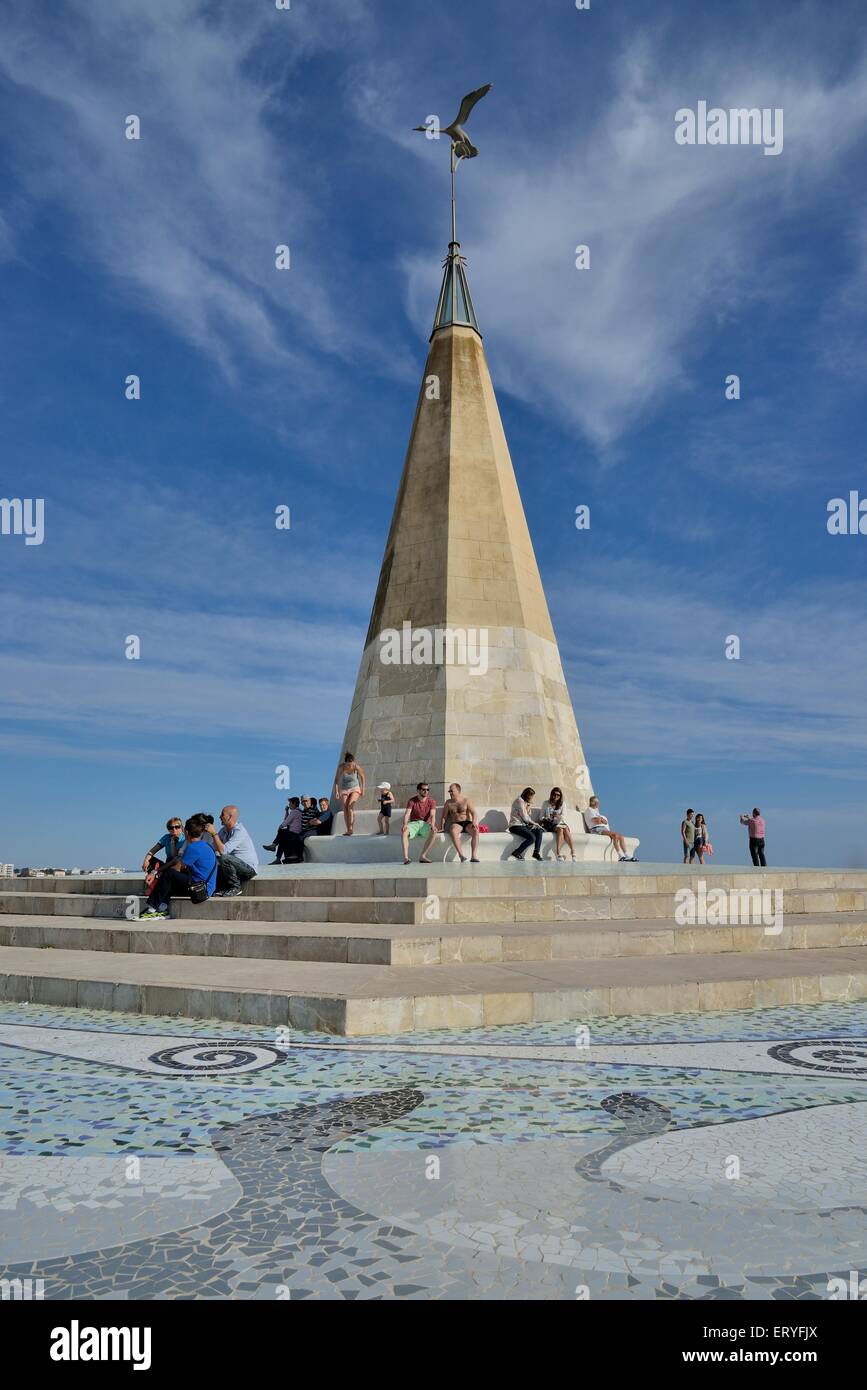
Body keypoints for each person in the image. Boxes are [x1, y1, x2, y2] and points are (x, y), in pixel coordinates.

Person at [140, 815, 217, 920]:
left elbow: (177, 867)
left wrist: (156, 873)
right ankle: (162, 909)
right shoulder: (206, 846)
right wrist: (157, 872)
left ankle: (152, 909)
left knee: (169, 874)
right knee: (170, 878)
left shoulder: (193, 848)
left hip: (201, 890)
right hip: (204, 887)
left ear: (186, 832)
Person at [212, 805, 259, 896]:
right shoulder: (223, 831)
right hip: (234, 867)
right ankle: (221, 888)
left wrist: (214, 833)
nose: (219, 817)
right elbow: (213, 847)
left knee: (224, 858)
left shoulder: (239, 831)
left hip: (248, 869)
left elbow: (223, 851)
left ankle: (235, 888)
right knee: (214, 859)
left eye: (222, 814)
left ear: (230, 817)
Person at [583, 796, 635, 862]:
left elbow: (605, 822)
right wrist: (601, 819)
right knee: (615, 835)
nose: (599, 804)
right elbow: (597, 821)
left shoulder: (595, 811)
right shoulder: (589, 810)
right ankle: (620, 855)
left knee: (621, 836)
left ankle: (627, 855)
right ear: (594, 803)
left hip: (602, 828)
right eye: (597, 802)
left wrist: (601, 819)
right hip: (596, 829)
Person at [441, 783, 480, 862]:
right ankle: (461, 855)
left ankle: (473, 856)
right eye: (449, 791)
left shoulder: (466, 800)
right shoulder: (448, 803)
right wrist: (441, 827)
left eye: (452, 791)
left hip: (467, 822)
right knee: (453, 830)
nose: (450, 793)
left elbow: (474, 813)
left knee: (476, 831)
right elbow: (444, 817)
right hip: (456, 823)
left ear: (458, 791)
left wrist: (474, 822)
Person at [401, 782, 437, 864]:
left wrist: (433, 825)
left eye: (428, 789)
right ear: (418, 790)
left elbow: (432, 815)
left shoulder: (431, 801)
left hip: (425, 824)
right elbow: (407, 814)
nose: (426, 791)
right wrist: (405, 825)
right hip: (414, 824)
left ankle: (423, 856)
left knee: (434, 831)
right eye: (423, 789)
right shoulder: (412, 801)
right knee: (404, 831)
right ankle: (406, 858)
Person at [540, 787, 575, 862]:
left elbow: (564, 817)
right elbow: (541, 817)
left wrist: (558, 816)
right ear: (551, 794)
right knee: (561, 829)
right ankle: (559, 852)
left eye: (558, 795)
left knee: (564, 828)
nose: (556, 796)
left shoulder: (563, 804)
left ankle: (572, 851)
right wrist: (546, 817)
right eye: (554, 794)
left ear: (560, 796)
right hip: (550, 824)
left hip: (560, 823)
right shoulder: (546, 803)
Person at [334, 752, 365, 835]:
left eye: (351, 764)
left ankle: (351, 828)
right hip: (345, 789)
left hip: (355, 787)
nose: (350, 766)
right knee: (345, 807)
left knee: (350, 805)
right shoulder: (342, 767)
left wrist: (363, 789)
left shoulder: (356, 766)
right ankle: (348, 829)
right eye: (348, 764)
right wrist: (336, 791)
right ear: (346, 762)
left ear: (353, 762)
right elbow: (336, 780)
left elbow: (362, 777)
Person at [509, 788, 543, 860]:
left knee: (539, 830)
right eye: (530, 796)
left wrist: (528, 805)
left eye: (532, 796)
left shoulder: (524, 802)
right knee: (532, 837)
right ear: (526, 795)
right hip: (515, 826)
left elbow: (528, 815)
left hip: (523, 826)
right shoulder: (519, 801)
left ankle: (536, 853)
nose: (531, 798)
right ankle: (517, 852)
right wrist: (534, 823)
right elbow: (525, 818)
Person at [266, 798, 304, 864]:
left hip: (294, 834)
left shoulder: (294, 812)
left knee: (281, 831)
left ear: (294, 804)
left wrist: (279, 827)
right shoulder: (300, 811)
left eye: (290, 803)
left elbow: (286, 822)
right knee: (281, 838)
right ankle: (277, 857)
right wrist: (287, 811)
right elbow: (287, 820)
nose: (289, 805)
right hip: (296, 833)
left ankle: (274, 846)